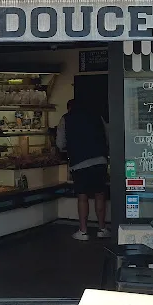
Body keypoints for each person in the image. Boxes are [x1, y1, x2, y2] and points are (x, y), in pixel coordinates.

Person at [56, 99, 110, 241]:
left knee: (82, 196)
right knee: (100, 194)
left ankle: (83, 231)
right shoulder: (97, 116)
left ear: (69, 108)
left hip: (79, 162)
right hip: (99, 160)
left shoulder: (66, 119)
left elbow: (60, 143)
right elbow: (108, 137)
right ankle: (102, 229)